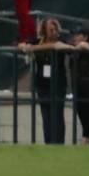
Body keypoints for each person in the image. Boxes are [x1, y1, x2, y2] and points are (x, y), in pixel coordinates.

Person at [18, 17, 68, 145]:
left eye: (55, 29)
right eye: (50, 29)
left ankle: (59, 142)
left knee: (57, 113)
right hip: (43, 83)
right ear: (44, 31)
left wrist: (34, 48)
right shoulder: (38, 41)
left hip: (58, 83)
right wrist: (26, 46)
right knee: (46, 115)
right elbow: (23, 44)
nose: (54, 32)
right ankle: (48, 142)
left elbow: (64, 47)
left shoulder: (60, 41)